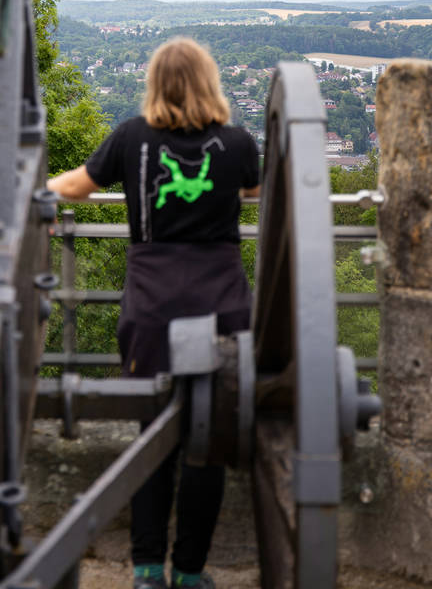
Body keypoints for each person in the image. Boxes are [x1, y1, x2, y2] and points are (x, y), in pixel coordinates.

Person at [48, 38, 260, 589]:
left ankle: (146, 570)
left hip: (151, 301)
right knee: (208, 439)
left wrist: (36, 190)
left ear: (155, 83)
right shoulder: (237, 143)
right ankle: (189, 572)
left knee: (151, 437)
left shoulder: (132, 137)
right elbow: (262, 192)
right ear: (210, 81)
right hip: (221, 299)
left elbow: (75, 188)